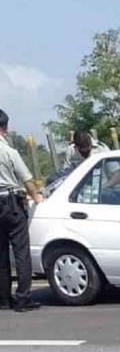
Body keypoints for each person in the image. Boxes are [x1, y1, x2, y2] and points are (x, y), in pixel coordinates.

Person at [0, 109, 43, 312]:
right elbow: (27, 180)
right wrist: (36, 197)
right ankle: (23, 298)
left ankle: (3, 299)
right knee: (21, 252)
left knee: (0, 254)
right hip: (11, 204)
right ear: (5, 128)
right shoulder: (10, 152)